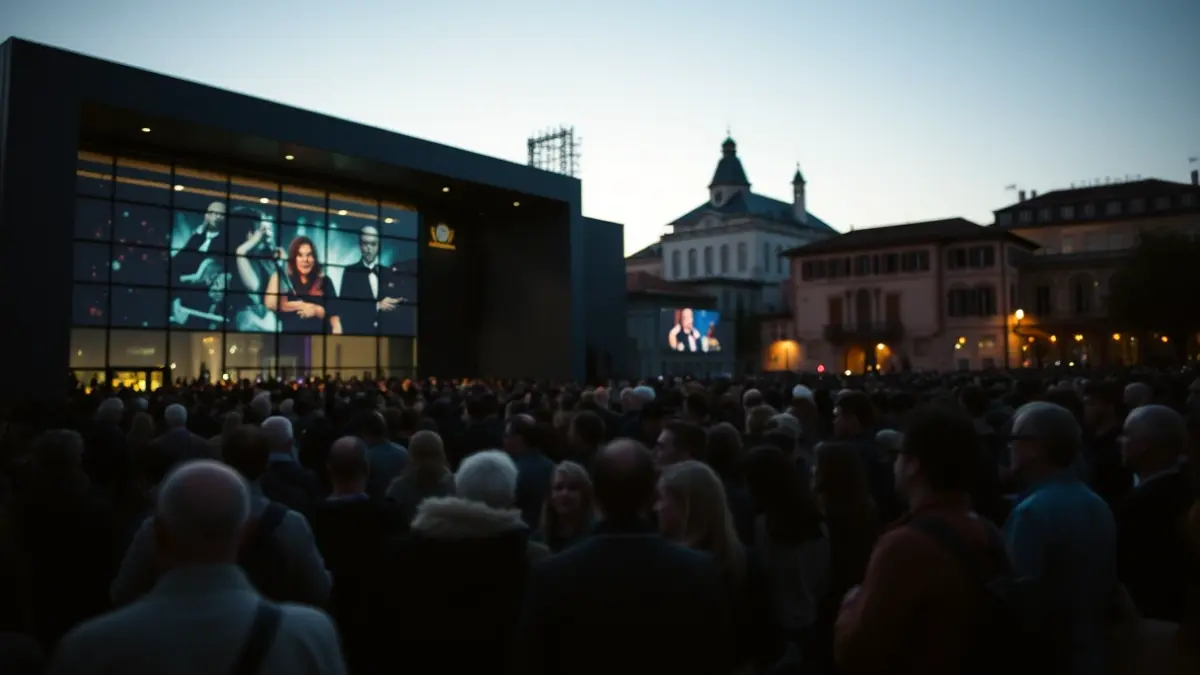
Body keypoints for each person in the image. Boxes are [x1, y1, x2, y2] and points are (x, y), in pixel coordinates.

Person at [50, 460, 347, 675]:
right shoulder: (309, 636)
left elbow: (120, 594)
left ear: (159, 534)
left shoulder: (89, 649)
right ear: (245, 533)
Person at [513, 439, 735, 675]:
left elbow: (531, 661)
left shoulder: (551, 576)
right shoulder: (699, 571)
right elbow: (718, 658)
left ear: (595, 495)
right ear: (652, 496)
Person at [835, 405, 1010, 675]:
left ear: (913, 465)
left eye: (899, 456)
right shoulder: (986, 530)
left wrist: (851, 604)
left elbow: (856, 652)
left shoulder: (904, 547)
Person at [1005, 401, 1116, 675]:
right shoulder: (1096, 502)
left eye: (1015, 439)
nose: (1009, 447)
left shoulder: (1031, 513)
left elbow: (1021, 603)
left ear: (1035, 448)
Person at [1114, 404, 1197, 622]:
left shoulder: (1141, 505)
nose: (1119, 441)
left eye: (1125, 435)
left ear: (1143, 446)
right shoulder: (1187, 489)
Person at [336, 226, 414, 335]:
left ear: (378, 246)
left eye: (373, 244)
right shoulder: (350, 272)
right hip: (359, 336)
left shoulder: (388, 272)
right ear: (360, 245)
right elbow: (346, 308)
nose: (369, 248)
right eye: (365, 243)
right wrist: (377, 306)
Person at [264, 236, 341, 334]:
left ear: (314, 258)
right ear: (293, 258)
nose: (305, 260)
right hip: (290, 340)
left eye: (309, 255)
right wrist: (281, 267)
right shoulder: (285, 280)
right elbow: (271, 304)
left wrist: (316, 310)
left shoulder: (325, 281)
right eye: (300, 255)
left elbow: (334, 316)